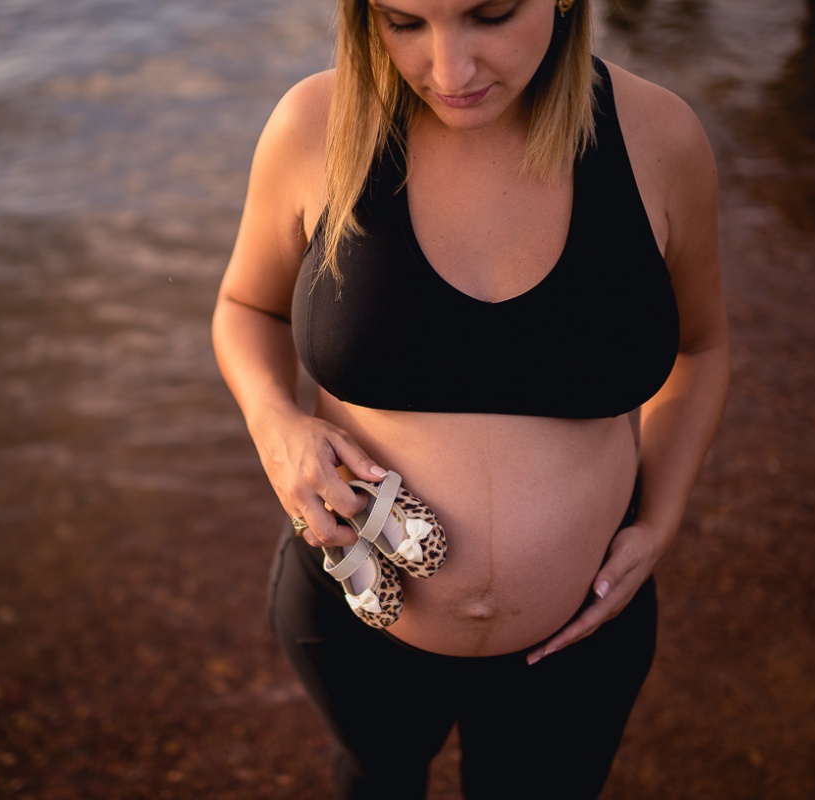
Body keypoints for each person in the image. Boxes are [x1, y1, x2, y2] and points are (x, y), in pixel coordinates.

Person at [212, 0, 729, 796]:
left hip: (581, 638)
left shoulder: (659, 138)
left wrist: (661, 517)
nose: (449, 71)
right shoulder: (315, 125)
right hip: (352, 619)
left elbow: (702, 346)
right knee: (375, 777)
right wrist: (277, 425)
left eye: (490, 15)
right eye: (404, 21)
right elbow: (248, 308)